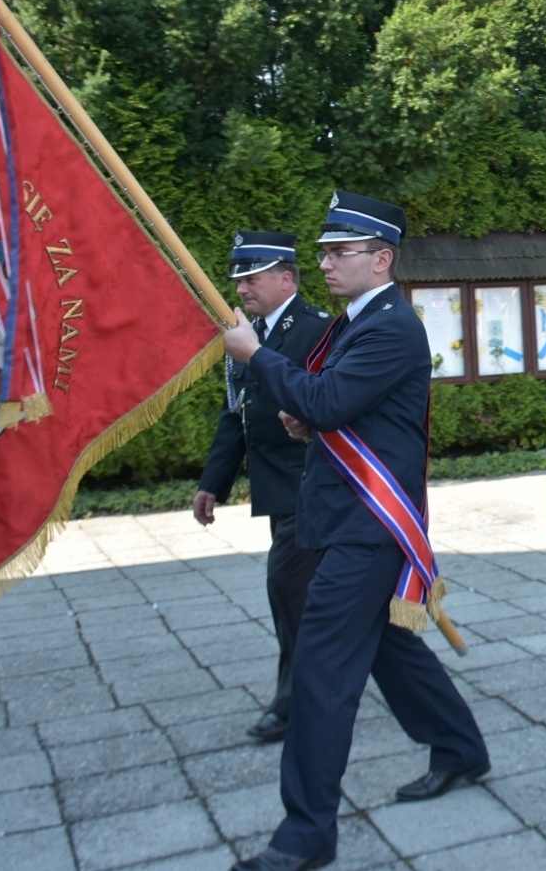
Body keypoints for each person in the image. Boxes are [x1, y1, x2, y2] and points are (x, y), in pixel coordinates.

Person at [226, 191, 488, 871]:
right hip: (347, 516)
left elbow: (329, 397)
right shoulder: (356, 321)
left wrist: (256, 356)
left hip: (367, 527)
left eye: (340, 251)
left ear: (382, 259)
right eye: (323, 252)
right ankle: (460, 747)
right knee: (389, 650)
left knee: (320, 673)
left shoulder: (389, 326)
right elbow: (341, 408)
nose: (325, 263)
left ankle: (305, 833)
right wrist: (309, 418)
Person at [195, 232, 332, 744]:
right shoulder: (246, 335)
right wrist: (214, 483)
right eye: (239, 280)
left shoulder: (317, 330)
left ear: (286, 279)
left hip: (312, 485)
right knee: (312, 596)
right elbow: (237, 411)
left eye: (253, 278)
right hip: (277, 490)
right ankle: (344, 678)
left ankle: (294, 704)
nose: (242, 288)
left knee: (289, 590)